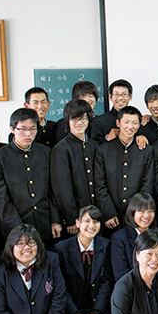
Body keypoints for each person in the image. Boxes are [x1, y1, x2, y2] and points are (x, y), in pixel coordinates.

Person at [0, 108, 61, 246]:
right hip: (15, 228)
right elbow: (0, 198)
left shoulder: (45, 152)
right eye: (22, 129)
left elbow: (52, 190)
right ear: (12, 129)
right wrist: (18, 229)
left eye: (32, 129)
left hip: (45, 224)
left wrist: (55, 220)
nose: (28, 134)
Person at [53, 206, 113, 314]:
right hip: (72, 309)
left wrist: (98, 310)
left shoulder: (106, 245)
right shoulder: (61, 249)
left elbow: (107, 281)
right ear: (77, 223)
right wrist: (73, 313)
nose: (91, 226)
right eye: (87, 221)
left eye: (96, 222)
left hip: (96, 307)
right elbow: (60, 287)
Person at [94, 105, 156, 231]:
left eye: (134, 123)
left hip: (138, 216)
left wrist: (139, 212)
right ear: (118, 123)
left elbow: (148, 183)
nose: (130, 126)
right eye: (126, 122)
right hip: (112, 216)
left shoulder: (146, 150)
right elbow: (100, 185)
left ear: (139, 125)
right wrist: (108, 213)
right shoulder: (103, 150)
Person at [50, 98, 98, 234]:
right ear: (67, 121)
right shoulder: (60, 149)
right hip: (76, 216)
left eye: (83, 119)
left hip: (96, 213)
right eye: (74, 119)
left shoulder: (94, 145)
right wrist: (71, 218)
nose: (79, 123)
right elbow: (62, 189)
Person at [110, 192, 158, 278]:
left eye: (150, 211)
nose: (146, 216)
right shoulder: (119, 238)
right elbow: (121, 274)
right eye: (141, 211)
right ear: (132, 212)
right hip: (129, 285)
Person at [91, 79, 133, 143]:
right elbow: (93, 146)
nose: (120, 98)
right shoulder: (99, 122)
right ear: (110, 97)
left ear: (130, 96)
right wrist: (107, 138)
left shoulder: (137, 120)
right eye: (116, 94)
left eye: (124, 94)